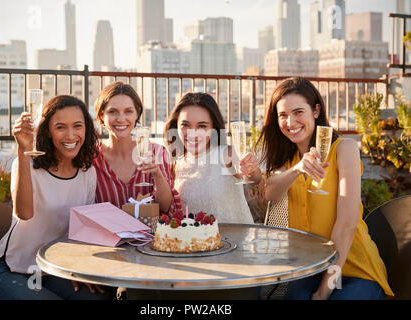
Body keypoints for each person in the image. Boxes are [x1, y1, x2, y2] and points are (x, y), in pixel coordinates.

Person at [256, 77, 393, 300]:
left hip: (353, 269)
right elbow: (270, 192)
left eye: (298, 112)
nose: (290, 122)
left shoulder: (344, 149)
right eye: (283, 115)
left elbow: (347, 225)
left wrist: (323, 292)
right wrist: (298, 169)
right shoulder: (287, 159)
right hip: (309, 270)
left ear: (316, 110)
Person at [0, 95, 112, 300]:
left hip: (55, 270)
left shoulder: (88, 172)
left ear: (86, 129)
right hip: (12, 270)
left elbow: (82, 231)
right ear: (48, 132)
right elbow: (24, 214)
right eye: (60, 127)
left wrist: (80, 267)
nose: (71, 135)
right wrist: (23, 148)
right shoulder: (28, 165)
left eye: (77, 126)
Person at [163, 92, 261, 223]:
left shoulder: (225, 154)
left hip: (235, 240)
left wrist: (251, 170)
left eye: (202, 126)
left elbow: (252, 178)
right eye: (185, 125)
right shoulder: (176, 163)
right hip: (193, 241)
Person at [93, 81, 181, 214]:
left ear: (136, 114)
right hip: (106, 235)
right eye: (112, 112)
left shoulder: (157, 152)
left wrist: (157, 174)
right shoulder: (92, 158)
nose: (121, 119)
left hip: (149, 234)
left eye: (128, 111)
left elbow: (164, 207)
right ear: (101, 116)